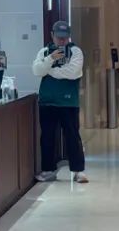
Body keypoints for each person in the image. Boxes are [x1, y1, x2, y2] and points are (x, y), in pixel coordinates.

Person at [33, 20, 88, 184]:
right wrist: (50, 59)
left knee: (72, 136)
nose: (62, 40)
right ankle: (48, 170)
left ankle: (78, 171)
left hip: (68, 103)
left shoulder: (75, 52)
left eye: (65, 37)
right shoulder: (44, 52)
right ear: (52, 35)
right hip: (47, 102)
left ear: (69, 36)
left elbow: (73, 72)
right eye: (59, 37)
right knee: (47, 137)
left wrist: (49, 71)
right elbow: (37, 70)